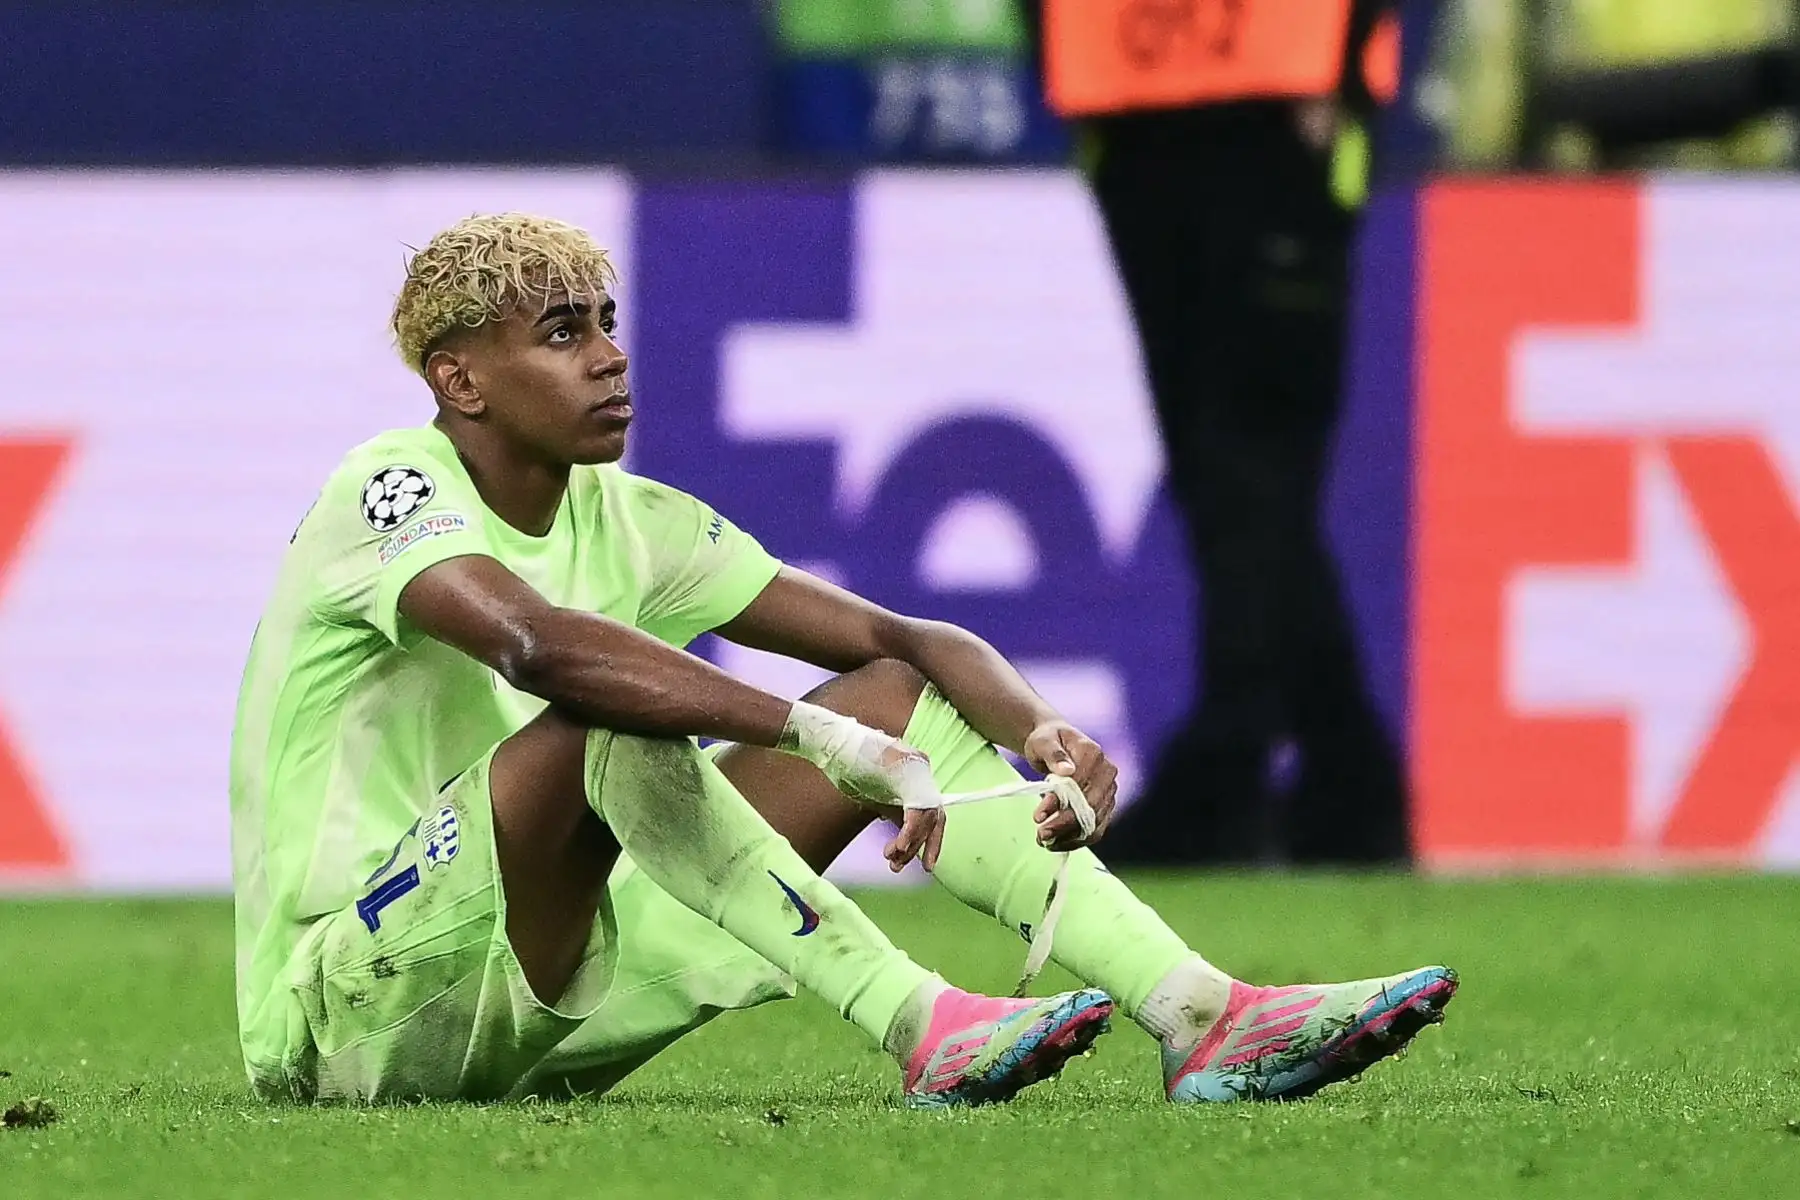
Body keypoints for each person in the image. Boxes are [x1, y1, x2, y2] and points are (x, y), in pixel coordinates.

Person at [229, 213, 1455, 1106]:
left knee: (899, 701)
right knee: (607, 715)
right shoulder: (386, 490)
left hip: (547, 982)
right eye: (561, 333)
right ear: (461, 381)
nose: (608, 355)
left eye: (608, 322)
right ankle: (923, 1022)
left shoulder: (631, 518)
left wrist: (1038, 735)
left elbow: (903, 640)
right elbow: (535, 645)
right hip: (348, 1004)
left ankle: (1205, 1016)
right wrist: (805, 735)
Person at [1029, 0, 1414, 866]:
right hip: (1131, 99)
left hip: (1282, 91)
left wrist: (1341, 67)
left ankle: (1232, 770)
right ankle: (1346, 781)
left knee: (1250, 464)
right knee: (1223, 476)